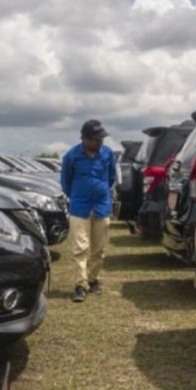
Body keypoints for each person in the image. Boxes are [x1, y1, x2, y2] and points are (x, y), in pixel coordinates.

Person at [60, 119, 117, 302]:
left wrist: (100, 192)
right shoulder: (71, 156)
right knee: (80, 248)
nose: (100, 142)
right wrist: (79, 195)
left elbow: (110, 178)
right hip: (79, 207)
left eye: (101, 139)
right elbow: (66, 183)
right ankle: (80, 285)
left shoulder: (108, 154)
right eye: (96, 139)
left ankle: (93, 280)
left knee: (98, 249)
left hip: (101, 207)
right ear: (85, 138)